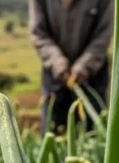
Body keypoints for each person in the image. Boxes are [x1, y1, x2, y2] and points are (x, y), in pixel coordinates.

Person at [29, 0, 114, 133]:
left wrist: (83, 66)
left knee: (93, 132)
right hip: (55, 73)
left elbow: (104, 33)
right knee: (53, 132)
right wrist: (58, 63)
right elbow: (39, 33)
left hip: (92, 74)